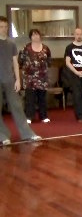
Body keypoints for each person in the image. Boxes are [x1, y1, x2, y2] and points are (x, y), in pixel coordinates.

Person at [0, 16, 42, 146]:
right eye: (1, 27)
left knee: (17, 106)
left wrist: (18, 80)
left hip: (9, 79)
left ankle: (27, 133)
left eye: (6, 26)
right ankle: (2, 135)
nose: (4, 29)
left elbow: (15, 62)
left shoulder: (11, 43)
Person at [19, 29, 52, 124]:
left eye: (37, 34)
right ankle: (29, 116)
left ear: (40, 36)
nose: (35, 36)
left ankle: (43, 116)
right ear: (30, 37)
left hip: (42, 78)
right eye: (33, 35)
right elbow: (20, 61)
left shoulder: (46, 48)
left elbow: (49, 61)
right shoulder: (26, 48)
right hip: (29, 78)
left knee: (42, 98)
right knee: (30, 98)